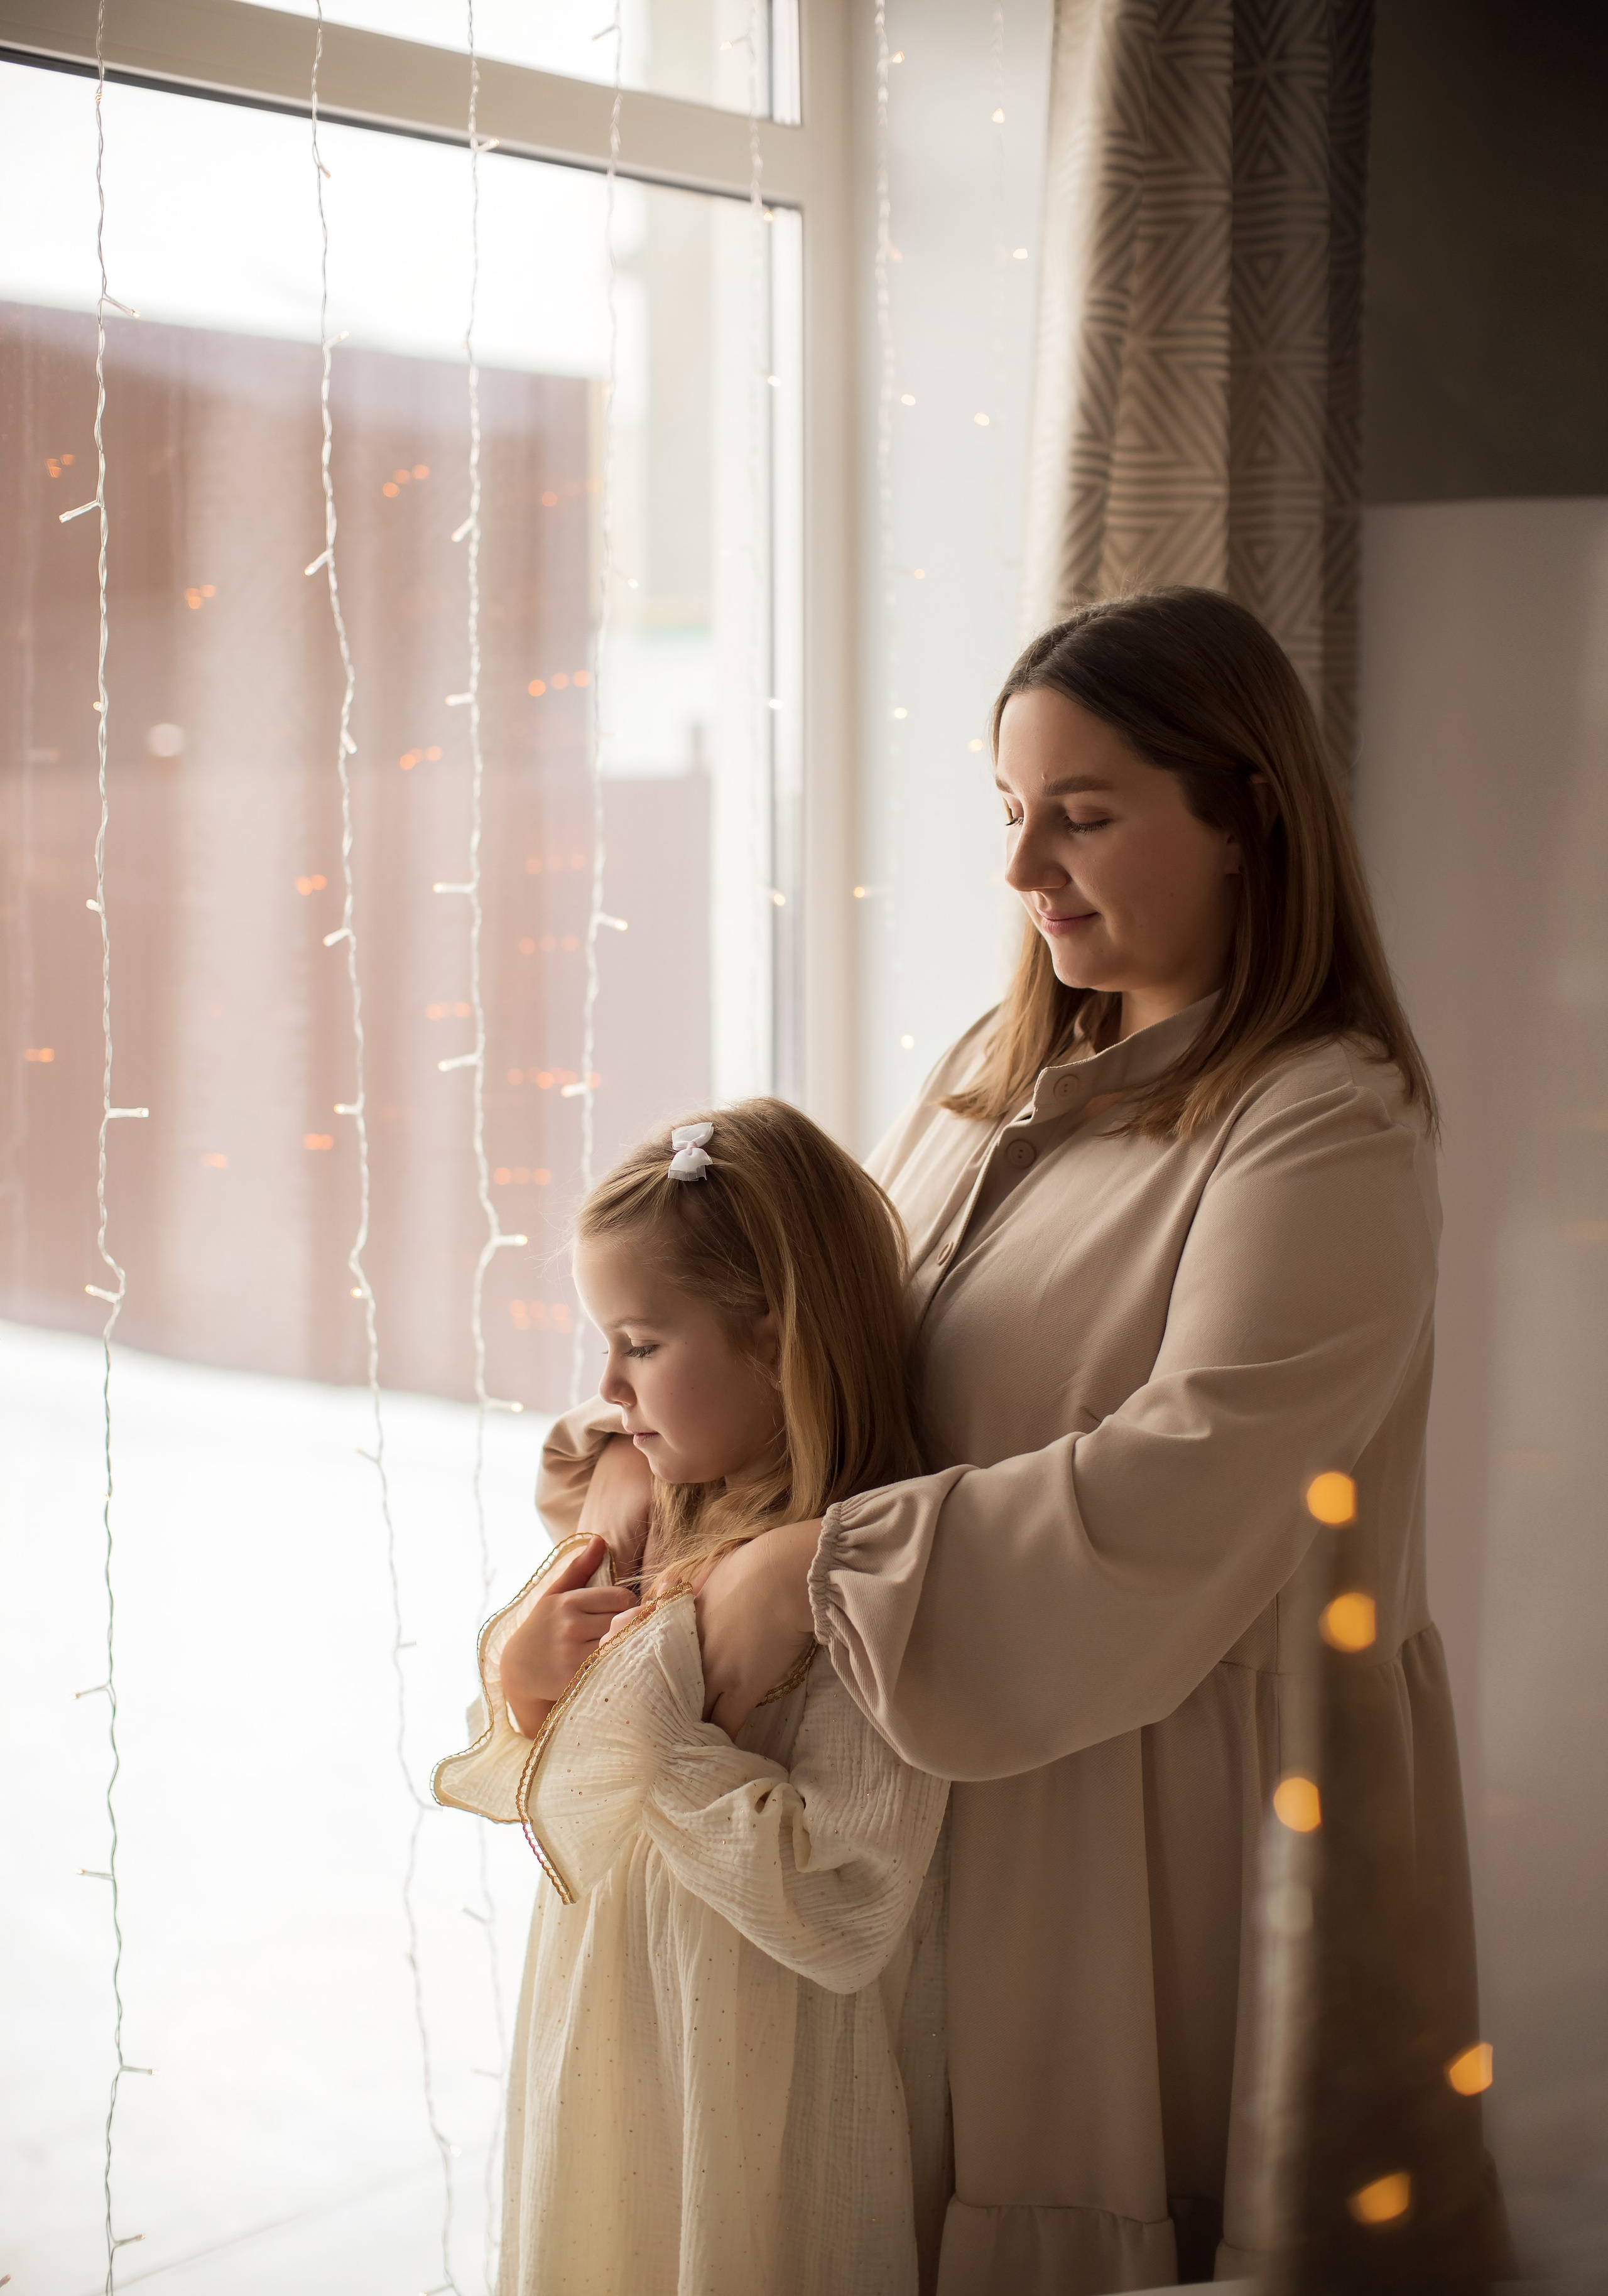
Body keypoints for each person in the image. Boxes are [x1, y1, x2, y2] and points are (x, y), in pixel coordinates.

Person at [580, 588, 1510, 2292]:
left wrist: (815, 1571)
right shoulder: (993, 1078)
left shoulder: (1323, 1125)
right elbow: (823, 1348)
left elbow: (1194, 1478)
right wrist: (642, 1457)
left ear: (1248, 821)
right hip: (964, 1789)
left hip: (1168, 1811)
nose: (1024, 872)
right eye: (1014, 815)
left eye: (1080, 817)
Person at [433, 1100, 950, 2296]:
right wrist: (522, 1686)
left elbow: (841, 1901)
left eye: (641, 1344)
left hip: (754, 2081)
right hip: (608, 2028)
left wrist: (641, 1726)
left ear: (777, 1342)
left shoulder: (858, 1593)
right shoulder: (664, 1509)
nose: (608, 1384)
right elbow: (562, 1793)